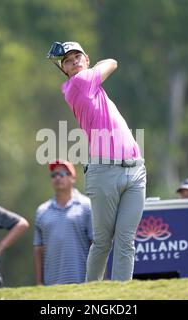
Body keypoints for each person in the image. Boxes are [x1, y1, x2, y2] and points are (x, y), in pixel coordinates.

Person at [47, 41, 147, 281]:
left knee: (126, 240)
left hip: (135, 169)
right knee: (103, 241)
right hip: (104, 171)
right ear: (65, 71)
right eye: (68, 62)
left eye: (77, 57)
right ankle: (93, 294)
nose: (74, 63)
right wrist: (92, 66)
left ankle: (121, 297)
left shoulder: (92, 85)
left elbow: (110, 63)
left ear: (87, 59)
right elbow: (112, 62)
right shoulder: (78, 84)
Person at [33, 160, 93, 285]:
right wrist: (39, 283)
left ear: (73, 178)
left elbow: (96, 244)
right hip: (52, 285)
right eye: (54, 175)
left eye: (62, 174)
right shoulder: (42, 211)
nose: (57, 177)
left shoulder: (87, 206)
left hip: (82, 282)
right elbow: (39, 249)